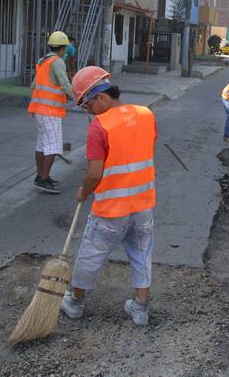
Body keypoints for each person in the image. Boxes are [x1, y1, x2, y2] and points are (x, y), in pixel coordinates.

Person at [61, 66, 158, 327]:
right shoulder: (146, 114)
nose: (88, 111)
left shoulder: (99, 126)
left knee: (90, 256)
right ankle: (140, 309)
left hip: (111, 211)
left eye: (87, 105)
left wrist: (83, 191)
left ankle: (75, 303)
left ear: (101, 97)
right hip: (143, 206)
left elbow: (94, 173)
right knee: (141, 255)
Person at [28, 31, 75, 194]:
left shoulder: (43, 61)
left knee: (42, 144)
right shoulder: (57, 62)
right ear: (63, 48)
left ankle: (41, 176)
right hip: (50, 111)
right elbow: (65, 84)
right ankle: (42, 179)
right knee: (53, 146)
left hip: (38, 110)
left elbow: (34, 85)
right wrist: (80, 99)